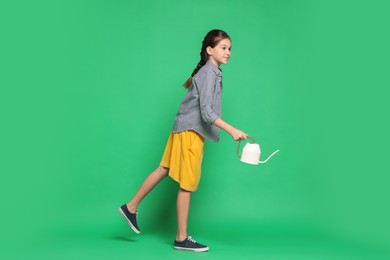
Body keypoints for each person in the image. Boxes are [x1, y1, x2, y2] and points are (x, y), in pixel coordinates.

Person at [119, 29, 248, 252]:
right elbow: (207, 113)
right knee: (186, 184)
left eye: (230, 49)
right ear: (210, 50)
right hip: (190, 132)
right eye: (223, 48)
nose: (228, 53)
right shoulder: (208, 74)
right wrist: (232, 130)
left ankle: (130, 207)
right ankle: (181, 237)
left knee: (165, 168)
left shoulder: (212, 73)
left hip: (182, 129)